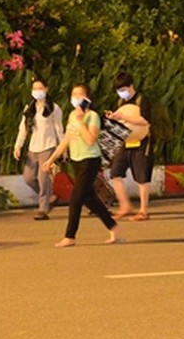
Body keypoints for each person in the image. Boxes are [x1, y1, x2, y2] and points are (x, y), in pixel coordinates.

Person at [42, 85, 121, 247]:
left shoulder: (92, 116)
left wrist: (80, 122)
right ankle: (113, 227)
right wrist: (51, 159)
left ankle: (70, 236)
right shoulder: (72, 115)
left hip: (90, 160)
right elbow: (66, 140)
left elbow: (91, 139)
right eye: (74, 94)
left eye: (80, 95)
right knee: (89, 199)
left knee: (76, 199)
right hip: (76, 160)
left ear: (87, 98)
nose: (76, 97)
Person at [13, 77, 64, 220]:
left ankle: (43, 209)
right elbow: (22, 129)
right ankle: (50, 197)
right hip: (33, 148)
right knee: (28, 178)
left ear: (46, 89)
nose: (37, 92)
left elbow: (59, 129)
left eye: (40, 88)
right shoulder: (29, 109)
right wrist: (18, 146)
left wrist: (62, 149)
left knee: (43, 179)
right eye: (34, 89)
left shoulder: (54, 108)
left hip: (48, 147)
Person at [106, 72, 153, 221]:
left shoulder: (142, 100)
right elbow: (117, 123)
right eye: (118, 90)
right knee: (115, 173)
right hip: (124, 143)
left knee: (141, 177)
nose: (121, 93)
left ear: (131, 86)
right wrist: (112, 119)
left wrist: (124, 117)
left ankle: (143, 211)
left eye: (123, 89)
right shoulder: (119, 103)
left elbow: (145, 120)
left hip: (141, 142)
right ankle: (125, 205)